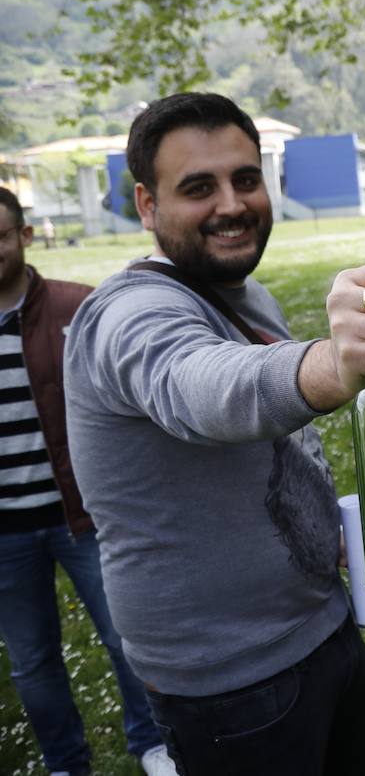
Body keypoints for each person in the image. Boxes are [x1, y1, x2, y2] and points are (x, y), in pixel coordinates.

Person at [63, 93, 365, 776]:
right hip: (233, 689)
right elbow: (202, 389)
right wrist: (336, 363)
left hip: (325, 631)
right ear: (147, 205)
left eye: (246, 179)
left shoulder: (246, 295)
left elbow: (274, 447)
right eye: (198, 187)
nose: (232, 204)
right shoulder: (125, 315)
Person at [0, 187, 174, 776]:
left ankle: (152, 744)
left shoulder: (81, 308)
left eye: (0, 236)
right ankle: (65, 762)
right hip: (4, 531)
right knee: (31, 660)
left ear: (24, 237)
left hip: (79, 515)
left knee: (127, 641)